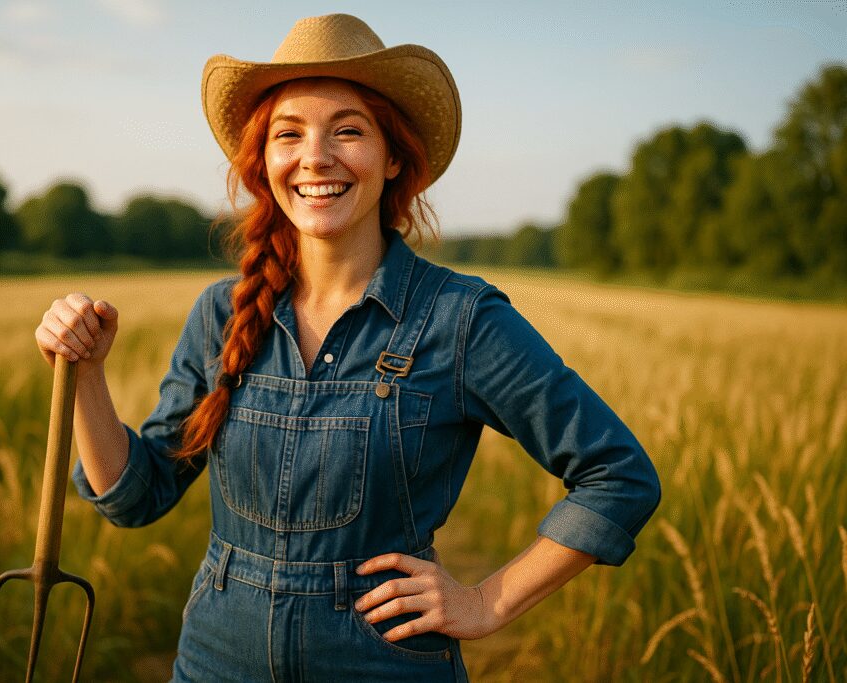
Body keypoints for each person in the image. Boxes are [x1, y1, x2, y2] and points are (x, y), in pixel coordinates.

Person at [34, 13, 661, 682]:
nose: (316, 157)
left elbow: (617, 474)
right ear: (264, 160)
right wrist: (89, 375)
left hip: (382, 665)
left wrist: (485, 600)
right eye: (289, 133)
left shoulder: (460, 318)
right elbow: (135, 496)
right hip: (217, 660)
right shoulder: (221, 314)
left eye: (348, 130)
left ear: (393, 157)